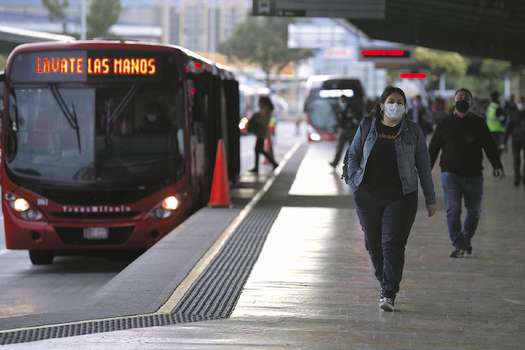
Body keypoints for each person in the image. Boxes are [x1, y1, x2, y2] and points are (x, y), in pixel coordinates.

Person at [345, 86, 436, 312]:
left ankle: (388, 293)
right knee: (373, 244)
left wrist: (430, 198)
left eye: (400, 102)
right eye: (391, 101)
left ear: (405, 107)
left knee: (392, 243)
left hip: (401, 196)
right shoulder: (367, 126)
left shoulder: (413, 131)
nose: (396, 105)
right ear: (382, 105)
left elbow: (424, 167)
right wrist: (353, 181)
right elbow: (353, 154)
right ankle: (385, 279)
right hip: (367, 195)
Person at [429, 88, 504, 258]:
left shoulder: (479, 122)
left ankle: (465, 239)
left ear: (471, 102)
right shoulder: (445, 123)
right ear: (454, 101)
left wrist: (497, 165)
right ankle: (458, 244)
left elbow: (489, 146)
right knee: (453, 210)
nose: (463, 100)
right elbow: (433, 148)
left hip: (474, 175)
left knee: (474, 212)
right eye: (460, 97)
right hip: (450, 174)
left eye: (466, 98)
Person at [329, 94, 361, 168]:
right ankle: (335, 163)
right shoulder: (338, 109)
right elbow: (338, 119)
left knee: (352, 148)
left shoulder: (352, 108)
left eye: (343, 100)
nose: (342, 102)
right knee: (339, 148)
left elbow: (357, 118)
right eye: (341, 100)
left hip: (351, 130)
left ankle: (353, 164)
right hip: (342, 130)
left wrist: (352, 117)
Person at [249, 96, 278, 174]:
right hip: (261, 132)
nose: (259, 103)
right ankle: (271, 163)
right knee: (259, 149)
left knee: (258, 149)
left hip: (261, 132)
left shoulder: (266, 110)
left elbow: (263, 121)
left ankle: (272, 163)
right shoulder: (266, 109)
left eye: (260, 102)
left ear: (263, 102)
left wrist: (256, 117)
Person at [505, 96, 525, 187]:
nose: (521, 104)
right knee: (516, 159)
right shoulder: (513, 114)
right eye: (520, 103)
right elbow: (508, 128)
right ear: (517, 104)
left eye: (523, 102)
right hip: (515, 140)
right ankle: (517, 178)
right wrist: (504, 142)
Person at [486, 91, 507, 155]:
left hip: (491, 129)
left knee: (495, 147)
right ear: (497, 97)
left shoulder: (489, 107)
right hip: (499, 130)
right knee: (498, 148)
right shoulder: (498, 108)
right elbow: (503, 118)